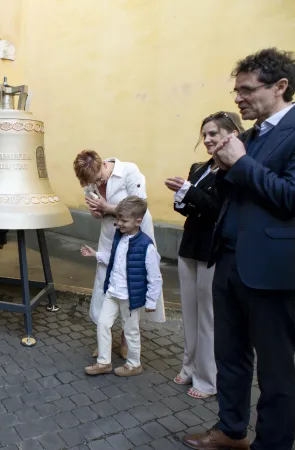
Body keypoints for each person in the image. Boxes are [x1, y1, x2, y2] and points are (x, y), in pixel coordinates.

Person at [183, 48, 295, 450]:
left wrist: (240, 164)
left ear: (280, 86)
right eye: (236, 90)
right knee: (230, 357)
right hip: (227, 262)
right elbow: (230, 195)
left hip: (273, 269)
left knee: (276, 370)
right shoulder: (246, 135)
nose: (238, 99)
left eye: (247, 90)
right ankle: (231, 431)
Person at [164, 112, 244, 400]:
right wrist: (181, 200)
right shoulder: (199, 167)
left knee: (208, 317)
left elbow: (216, 209)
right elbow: (194, 207)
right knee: (190, 312)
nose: (207, 139)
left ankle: (208, 379)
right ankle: (189, 366)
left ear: (232, 134)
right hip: (190, 246)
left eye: (213, 133)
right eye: (205, 134)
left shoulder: (235, 168)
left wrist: (189, 193)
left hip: (213, 249)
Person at [73, 150, 165, 361]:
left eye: (98, 179)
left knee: (130, 280)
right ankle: (104, 338)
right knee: (104, 281)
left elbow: (140, 206)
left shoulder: (129, 171)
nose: (96, 183)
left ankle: (126, 337)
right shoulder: (90, 182)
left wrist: (107, 207)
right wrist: (97, 212)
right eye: (91, 183)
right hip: (110, 233)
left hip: (136, 234)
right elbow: (97, 211)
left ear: (103, 164)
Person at [82, 196, 162, 377]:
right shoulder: (120, 237)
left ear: (138, 221)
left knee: (131, 330)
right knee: (103, 324)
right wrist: (96, 254)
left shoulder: (146, 246)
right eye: (118, 219)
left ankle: (134, 364)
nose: (119, 223)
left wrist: (151, 301)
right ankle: (103, 362)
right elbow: (115, 258)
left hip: (130, 297)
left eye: (124, 220)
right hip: (113, 291)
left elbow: (155, 277)